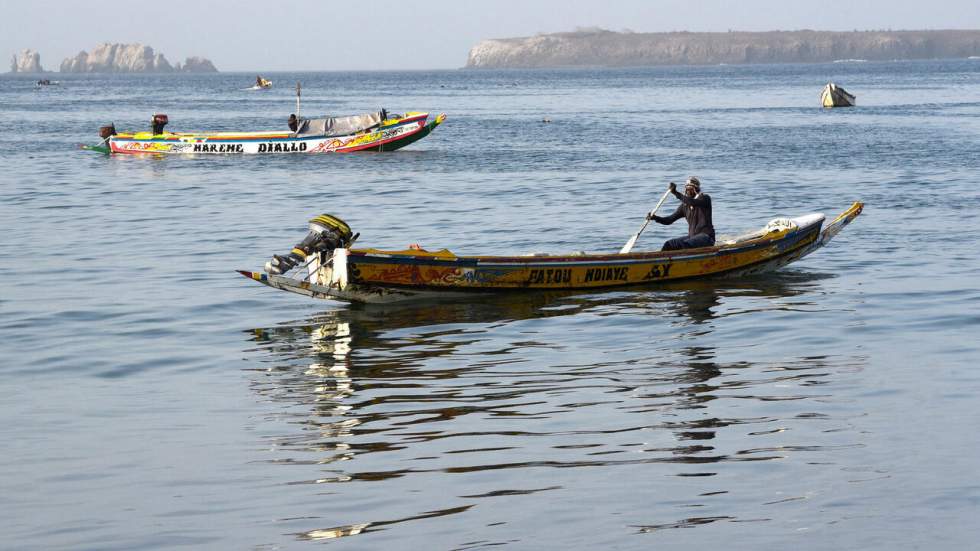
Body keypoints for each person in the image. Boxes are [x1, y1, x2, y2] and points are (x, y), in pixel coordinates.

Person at [647, 176, 715, 251]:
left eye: (690, 189)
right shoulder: (684, 206)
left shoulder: (705, 198)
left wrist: (675, 193)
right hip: (692, 237)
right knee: (669, 244)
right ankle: (662, 260)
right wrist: (655, 218)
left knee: (683, 245)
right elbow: (669, 220)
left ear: (696, 189)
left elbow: (691, 202)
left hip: (706, 237)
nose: (688, 191)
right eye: (687, 189)